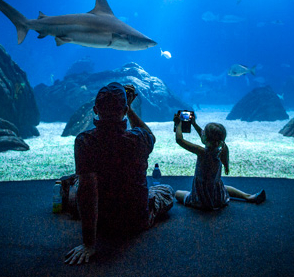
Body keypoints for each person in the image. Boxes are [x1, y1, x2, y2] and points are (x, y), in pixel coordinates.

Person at [64, 82, 174, 265]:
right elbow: (151, 137)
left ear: (95, 110)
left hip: (101, 222)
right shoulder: (138, 138)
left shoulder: (85, 141)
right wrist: (130, 109)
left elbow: (88, 191)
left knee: (79, 184)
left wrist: (89, 243)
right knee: (165, 190)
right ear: (124, 110)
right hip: (135, 220)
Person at [174, 113, 266, 210]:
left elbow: (179, 140)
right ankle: (249, 196)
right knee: (223, 186)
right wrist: (194, 124)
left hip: (202, 198)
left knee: (177, 193)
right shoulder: (221, 149)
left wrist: (178, 124)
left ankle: (200, 202)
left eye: (204, 133)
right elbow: (204, 136)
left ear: (206, 139)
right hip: (218, 197)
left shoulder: (202, 152)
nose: (202, 133)